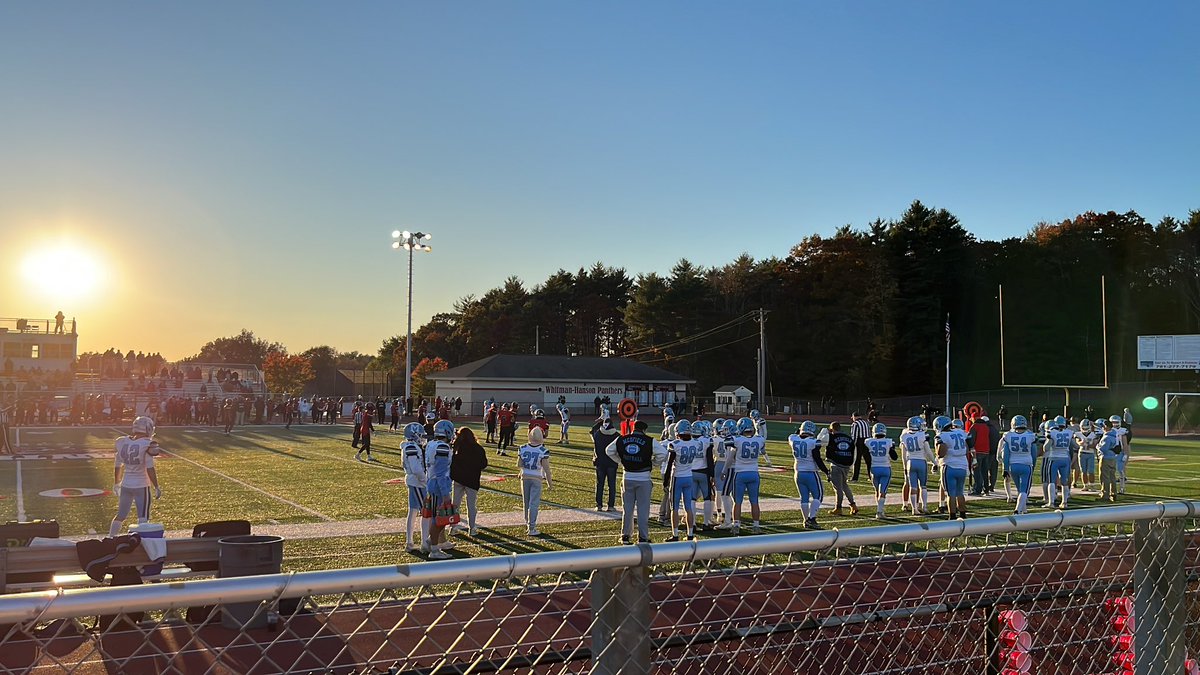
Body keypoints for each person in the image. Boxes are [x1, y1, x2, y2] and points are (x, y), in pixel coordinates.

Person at [606, 419, 668, 545]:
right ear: (644, 430)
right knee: (643, 509)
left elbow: (608, 450)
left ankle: (625, 535)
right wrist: (654, 463)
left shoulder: (622, 439)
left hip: (627, 476)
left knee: (627, 509)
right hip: (644, 477)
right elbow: (663, 453)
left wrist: (620, 461)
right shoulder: (650, 440)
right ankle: (643, 537)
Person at [108, 416, 164, 536]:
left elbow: (118, 465)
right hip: (141, 485)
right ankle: (141, 542)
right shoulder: (147, 444)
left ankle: (110, 538)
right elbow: (150, 468)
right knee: (143, 518)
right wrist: (156, 486)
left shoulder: (122, 442)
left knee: (121, 515)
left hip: (126, 484)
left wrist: (116, 482)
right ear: (148, 428)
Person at [727, 416, 771, 534]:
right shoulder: (759, 439)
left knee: (738, 502)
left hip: (740, 473)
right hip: (754, 473)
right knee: (754, 501)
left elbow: (726, 442)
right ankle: (756, 526)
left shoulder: (737, 440)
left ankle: (736, 525)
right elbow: (762, 449)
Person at [423, 420, 456, 559]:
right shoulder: (442, 446)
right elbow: (441, 472)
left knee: (442, 518)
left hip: (432, 482)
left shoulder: (431, 444)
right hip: (438, 485)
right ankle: (434, 550)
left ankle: (431, 541)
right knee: (441, 518)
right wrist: (445, 493)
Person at [665, 419, 701, 541]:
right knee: (688, 507)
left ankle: (675, 535)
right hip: (689, 476)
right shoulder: (695, 443)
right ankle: (690, 534)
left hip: (677, 477)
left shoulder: (675, 444)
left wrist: (666, 480)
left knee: (674, 507)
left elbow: (670, 464)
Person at [789, 420, 829, 529]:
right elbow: (818, 459)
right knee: (818, 496)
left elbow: (797, 434)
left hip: (798, 472)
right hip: (811, 472)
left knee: (804, 498)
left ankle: (805, 520)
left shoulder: (793, 438)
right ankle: (812, 519)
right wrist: (827, 471)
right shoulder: (813, 442)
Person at [450, 427, 487, 537]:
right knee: (471, 505)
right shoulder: (478, 448)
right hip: (472, 480)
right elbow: (483, 464)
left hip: (459, 479)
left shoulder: (457, 447)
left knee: (455, 505)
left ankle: (453, 527)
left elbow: (452, 462)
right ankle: (472, 528)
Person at [517, 427, 553, 536]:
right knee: (534, 503)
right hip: (536, 477)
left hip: (525, 477)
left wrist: (522, 471)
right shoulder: (543, 450)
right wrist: (550, 483)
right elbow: (546, 469)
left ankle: (527, 524)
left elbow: (519, 464)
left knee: (526, 502)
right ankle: (531, 527)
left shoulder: (522, 448)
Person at [401, 423, 430, 554]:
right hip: (417, 482)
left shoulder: (409, 446)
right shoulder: (411, 447)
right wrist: (424, 480)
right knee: (425, 512)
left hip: (414, 481)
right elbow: (416, 468)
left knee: (412, 511)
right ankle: (424, 543)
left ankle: (410, 542)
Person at [934, 416, 970, 519]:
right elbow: (967, 448)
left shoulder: (942, 435)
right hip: (962, 465)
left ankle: (952, 516)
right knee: (960, 492)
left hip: (949, 465)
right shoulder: (960, 433)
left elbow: (941, 453)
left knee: (951, 494)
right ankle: (963, 514)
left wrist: (938, 453)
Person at [1000, 415, 1037, 514]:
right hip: (1026, 464)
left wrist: (1006, 468)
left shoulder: (1008, 435)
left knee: (1019, 489)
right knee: (1024, 490)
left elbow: (1006, 454)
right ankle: (1017, 510)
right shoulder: (1030, 436)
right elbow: (1034, 454)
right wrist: (1033, 466)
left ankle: (1024, 509)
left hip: (1013, 465)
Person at [900, 416, 935, 514]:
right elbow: (928, 452)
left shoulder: (904, 435)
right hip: (921, 461)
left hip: (910, 462)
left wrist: (904, 466)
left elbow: (903, 455)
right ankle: (924, 507)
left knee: (913, 487)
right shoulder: (923, 435)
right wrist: (934, 462)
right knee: (923, 486)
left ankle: (914, 509)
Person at [824, 422, 858, 516]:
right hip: (846, 465)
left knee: (838, 488)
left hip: (836, 464)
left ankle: (838, 508)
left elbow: (821, 440)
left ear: (832, 429)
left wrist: (826, 432)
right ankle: (853, 505)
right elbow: (853, 451)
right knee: (844, 485)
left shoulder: (832, 437)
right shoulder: (848, 438)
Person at [864, 423, 897, 519]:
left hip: (874, 469)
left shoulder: (868, 441)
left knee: (877, 491)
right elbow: (894, 457)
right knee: (882, 491)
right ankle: (879, 511)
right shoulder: (888, 442)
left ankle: (879, 509)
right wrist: (892, 448)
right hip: (885, 468)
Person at [1043, 415, 1073, 509]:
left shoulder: (1053, 433)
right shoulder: (1069, 432)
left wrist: (1048, 438)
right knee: (1064, 481)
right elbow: (1075, 446)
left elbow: (1045, 448)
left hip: (1054, 458)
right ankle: (1064, 502)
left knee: (1051, 481)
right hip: (1065, 458)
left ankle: (1051, 502)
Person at [590, 417, 620, 511]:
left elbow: (591, 430)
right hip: (612, 463)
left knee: (599, 484)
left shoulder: (598, 434)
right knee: (611, 485)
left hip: (600, 462)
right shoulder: (616, 435)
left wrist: (600, 422)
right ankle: (610, 506)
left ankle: (599, 505)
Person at [967, 413, 996, 496]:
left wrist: (971, 448)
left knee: (976, 471)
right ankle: (986, 489)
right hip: (986, 451)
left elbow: (971, 439)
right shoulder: (986, 427)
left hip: (977, 451)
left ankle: (977, 489)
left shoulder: (974, 427)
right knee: (984, 471)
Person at [1097, 419, 1122, 502]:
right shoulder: (1115, 435)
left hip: (1106, 458)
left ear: (1106, 427)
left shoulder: (1107, 437)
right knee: (1112, 477)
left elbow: (1103, 449)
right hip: (1113, 458)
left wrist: (1097, 446)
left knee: (1105, 477)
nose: (1102, 428)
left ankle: (1105, 494)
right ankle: (1113, 493)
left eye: (1103, 426)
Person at [1074, 418, 1099, 492]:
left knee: (1091, 471)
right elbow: (1078, 441)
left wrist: (1088, 445)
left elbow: (1095, 445)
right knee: (1083, 471)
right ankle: (1085, 485)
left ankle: (1092, 485)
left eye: (1086, 428)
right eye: (1083, 428)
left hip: (1090, 454)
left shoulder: (1093, 434)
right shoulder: (1078, 434)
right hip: (1082, 453)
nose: (1084, 429)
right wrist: (1081, 443)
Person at [850, 412, 871, 481]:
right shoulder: (866, 422)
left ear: (855, 417)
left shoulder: (855, 424)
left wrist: (852, 445)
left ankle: (855, 478)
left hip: (859, 442)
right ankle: (871, 476)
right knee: (868, 460)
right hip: (867, 441)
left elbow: (854, 436)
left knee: (857, 460)